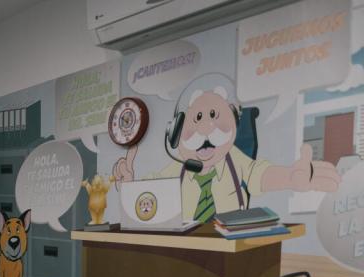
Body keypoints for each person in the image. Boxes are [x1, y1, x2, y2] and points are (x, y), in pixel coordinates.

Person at [112, 73, 339, 221]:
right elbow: (150, 191)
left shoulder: (233, 160)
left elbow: (260, 174)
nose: (206, 128)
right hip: (188, 251)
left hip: (228, 252)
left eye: (213, 116)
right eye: (197, 118)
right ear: (175, 134)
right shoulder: (177, 170)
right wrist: (130, 185)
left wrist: (290, 177)